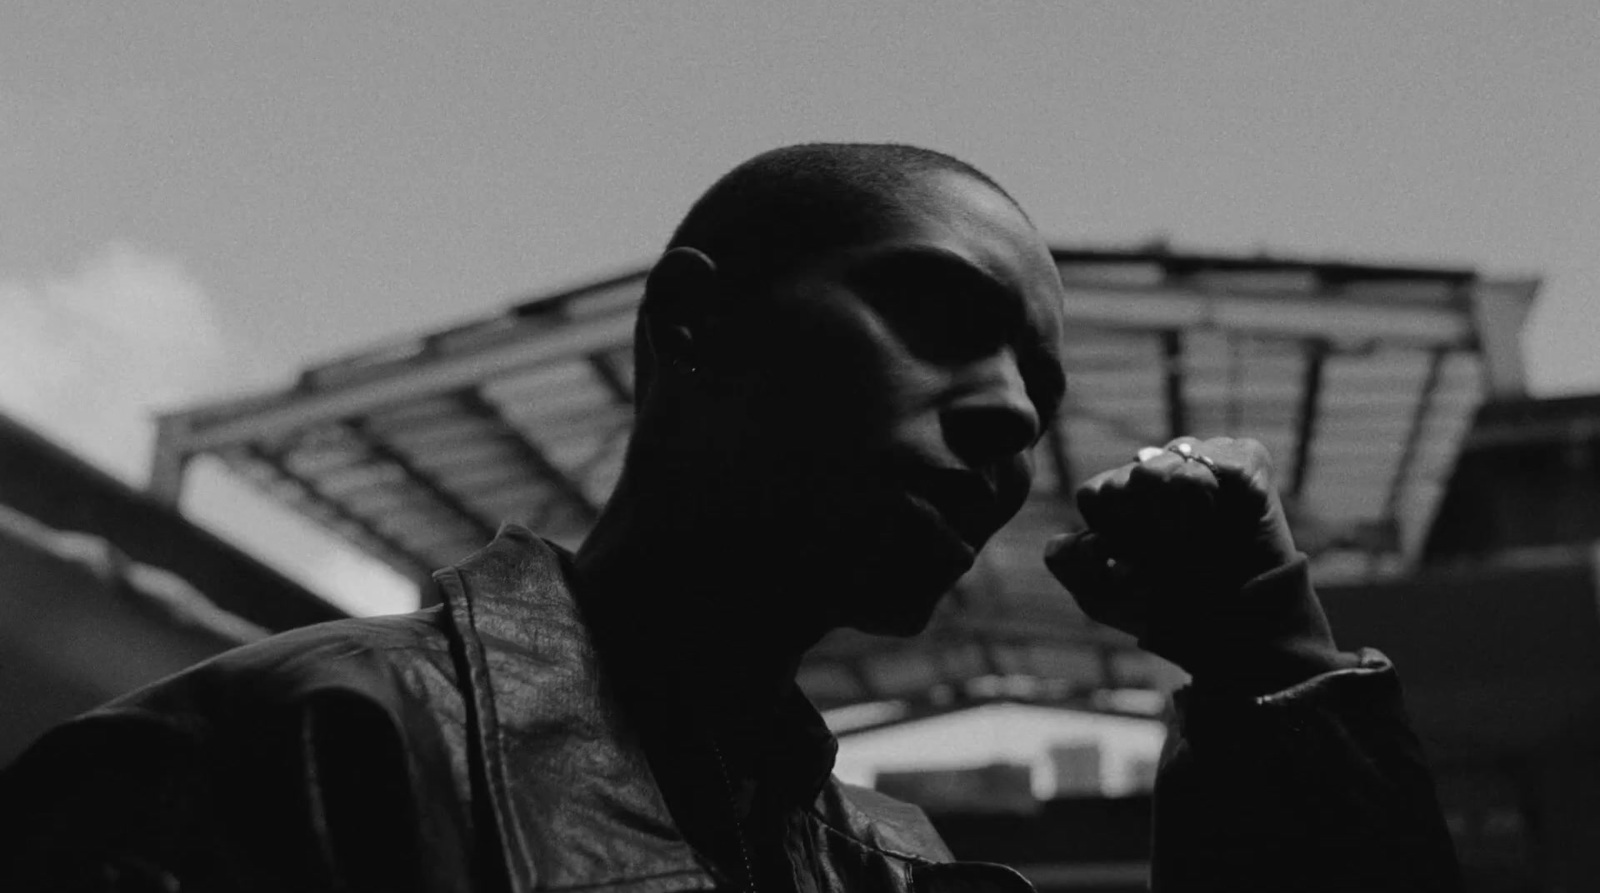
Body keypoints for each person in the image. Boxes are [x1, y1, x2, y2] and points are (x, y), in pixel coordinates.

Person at [0, 143, 1459, 892]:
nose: (1015, 414)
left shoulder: (898, 877)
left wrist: (1273, 669)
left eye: (1038, 381)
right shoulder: (292, 757)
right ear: (693, 325)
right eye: (939, 316)